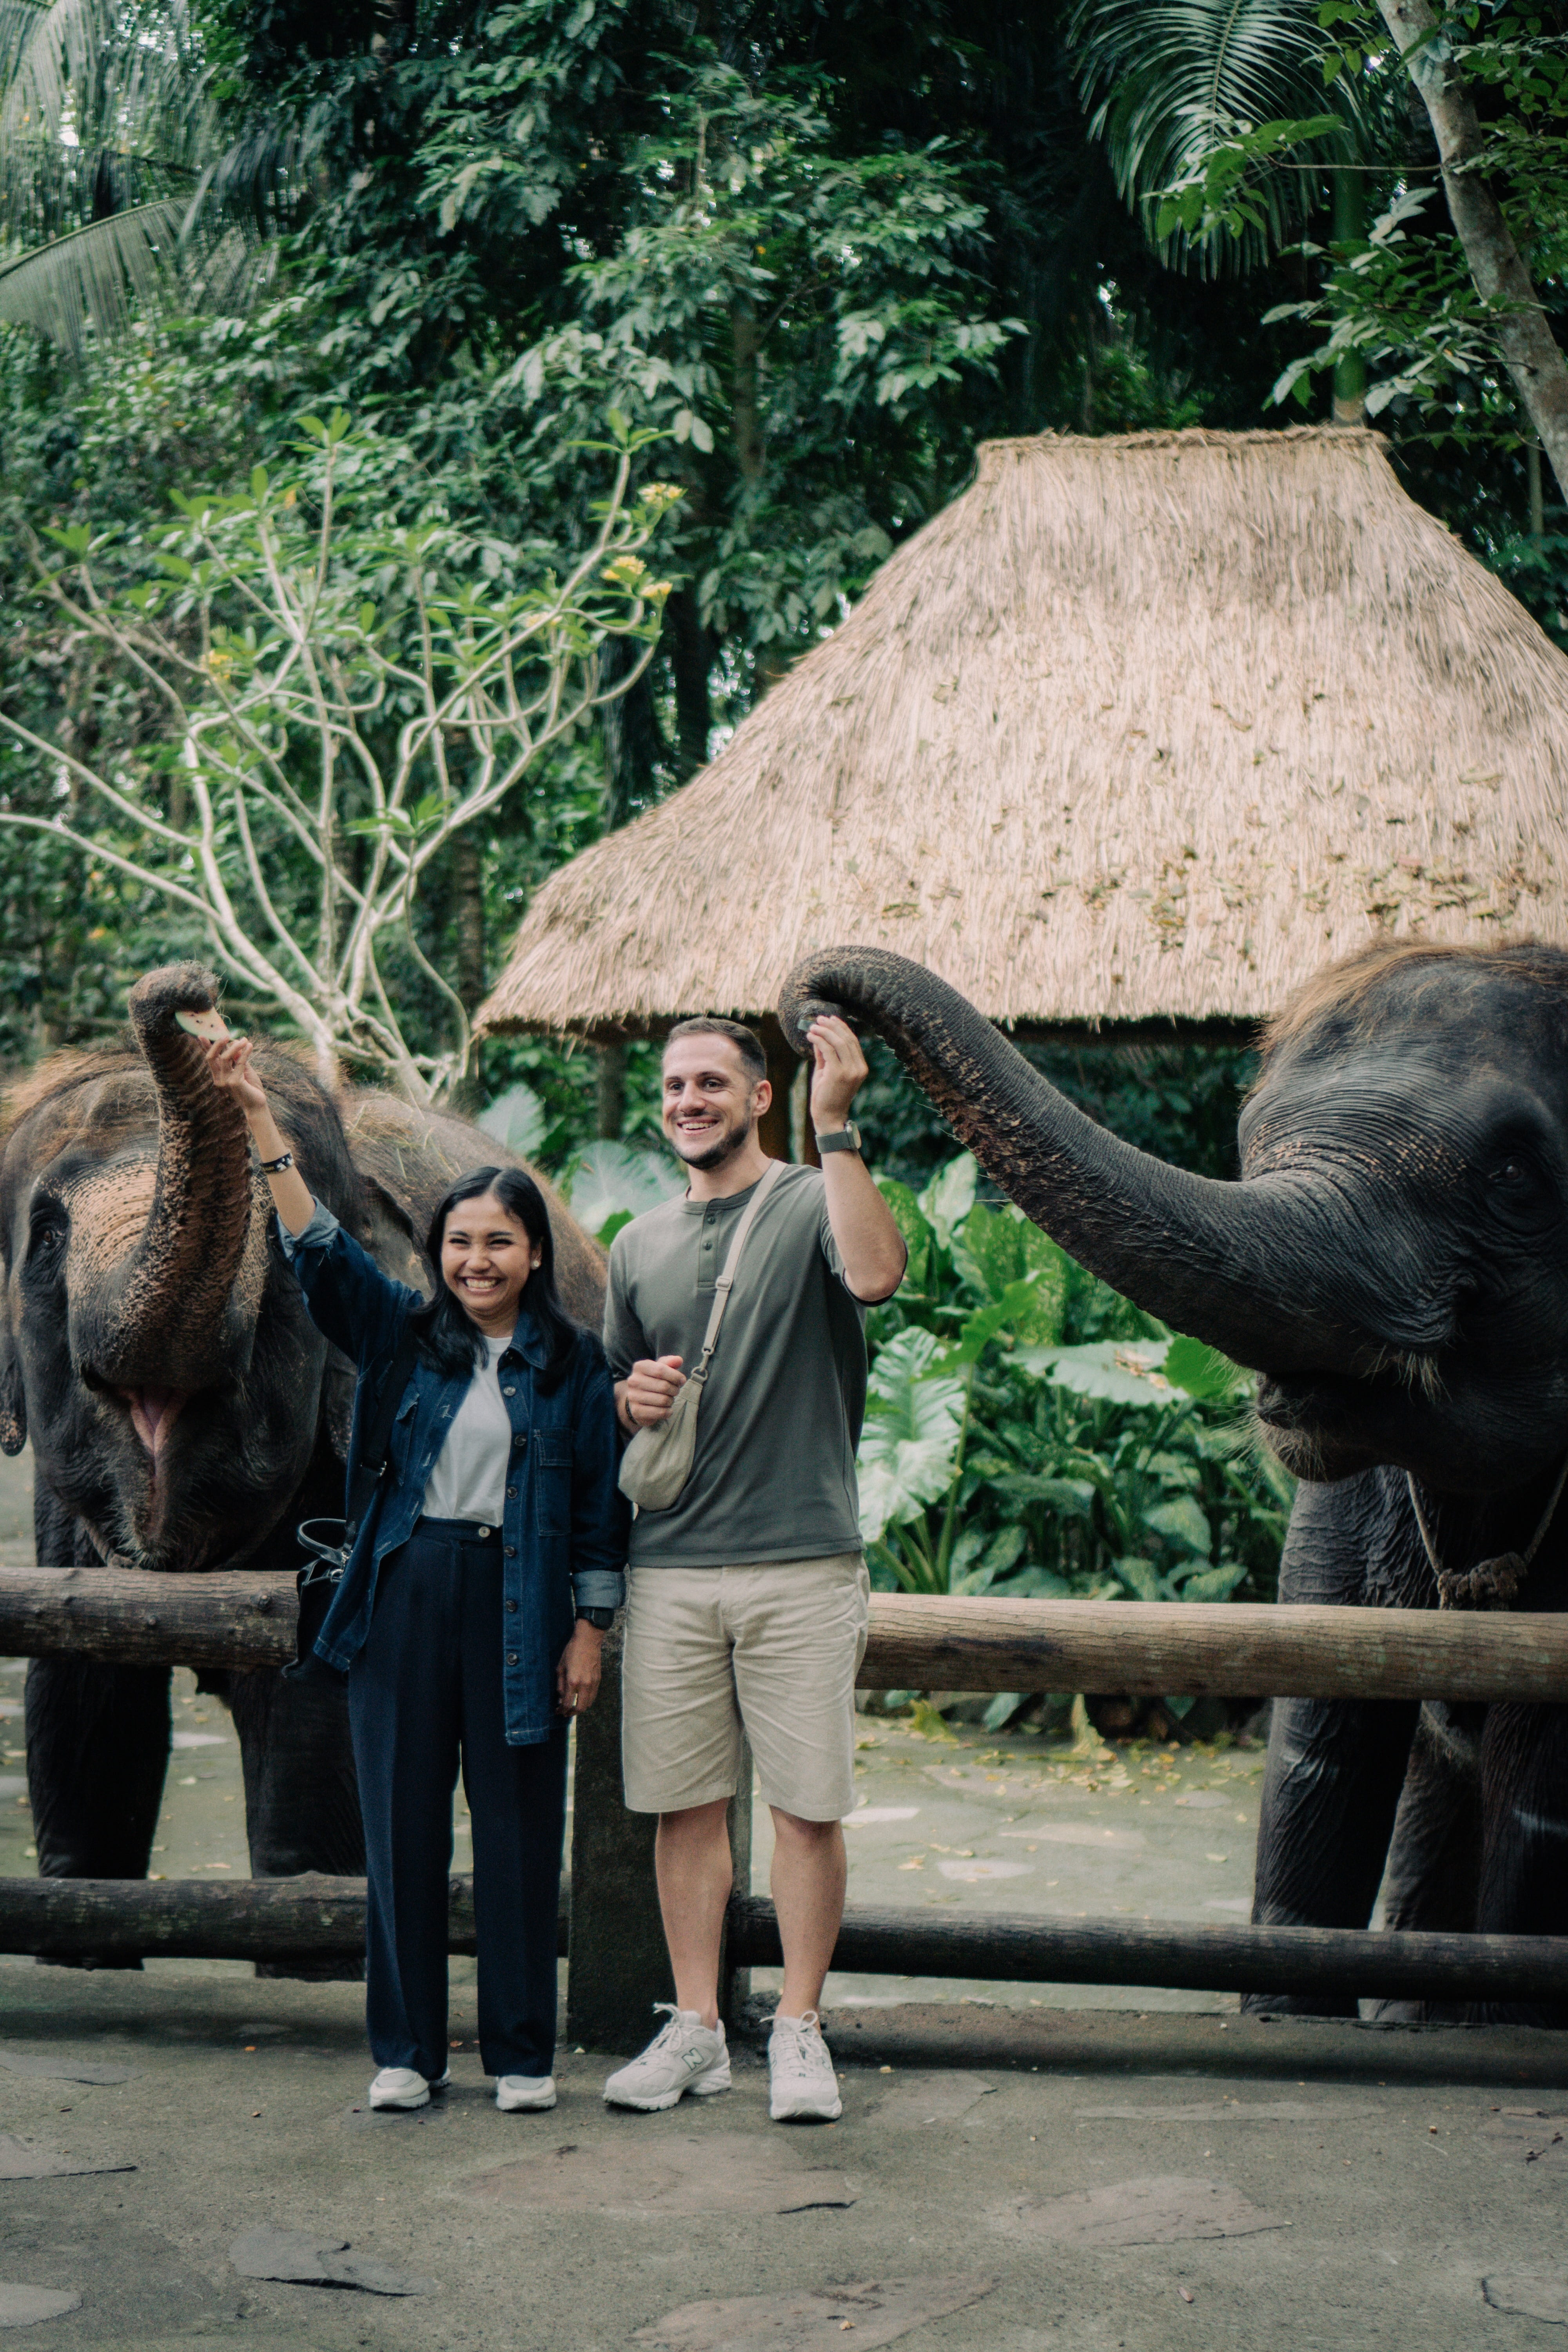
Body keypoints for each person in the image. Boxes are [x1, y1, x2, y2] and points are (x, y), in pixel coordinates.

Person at [208, 1036, 627, 2116]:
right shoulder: (403, 1337)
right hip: (405, 1593)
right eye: (458, 1242)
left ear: (534, 1255)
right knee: (400, 1828)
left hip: (523, 1607)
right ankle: (406, 2051)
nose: (475, 1261)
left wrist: (591, 1630)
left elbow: (597, 1512)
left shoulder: (576, 1368)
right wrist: (258, 1117)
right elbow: (318, 1249)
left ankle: (522, 2056)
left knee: (520, 1833)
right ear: (436, 1253)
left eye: (499, 1243)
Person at [602, 1013, 907, 2122]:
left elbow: (875, 1276)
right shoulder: (636, 1244)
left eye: (713, 1083)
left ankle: (799, 2030)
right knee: (685, 1810)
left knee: (807, 1811)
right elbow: (615, 1403)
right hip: (672, 1567)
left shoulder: (811, 1200)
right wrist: (627, 1399)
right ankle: (696, 2032)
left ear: (760, 1096)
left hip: (803, 1563)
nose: (689, 1100)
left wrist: (838, 1129)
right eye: (676, 1085)